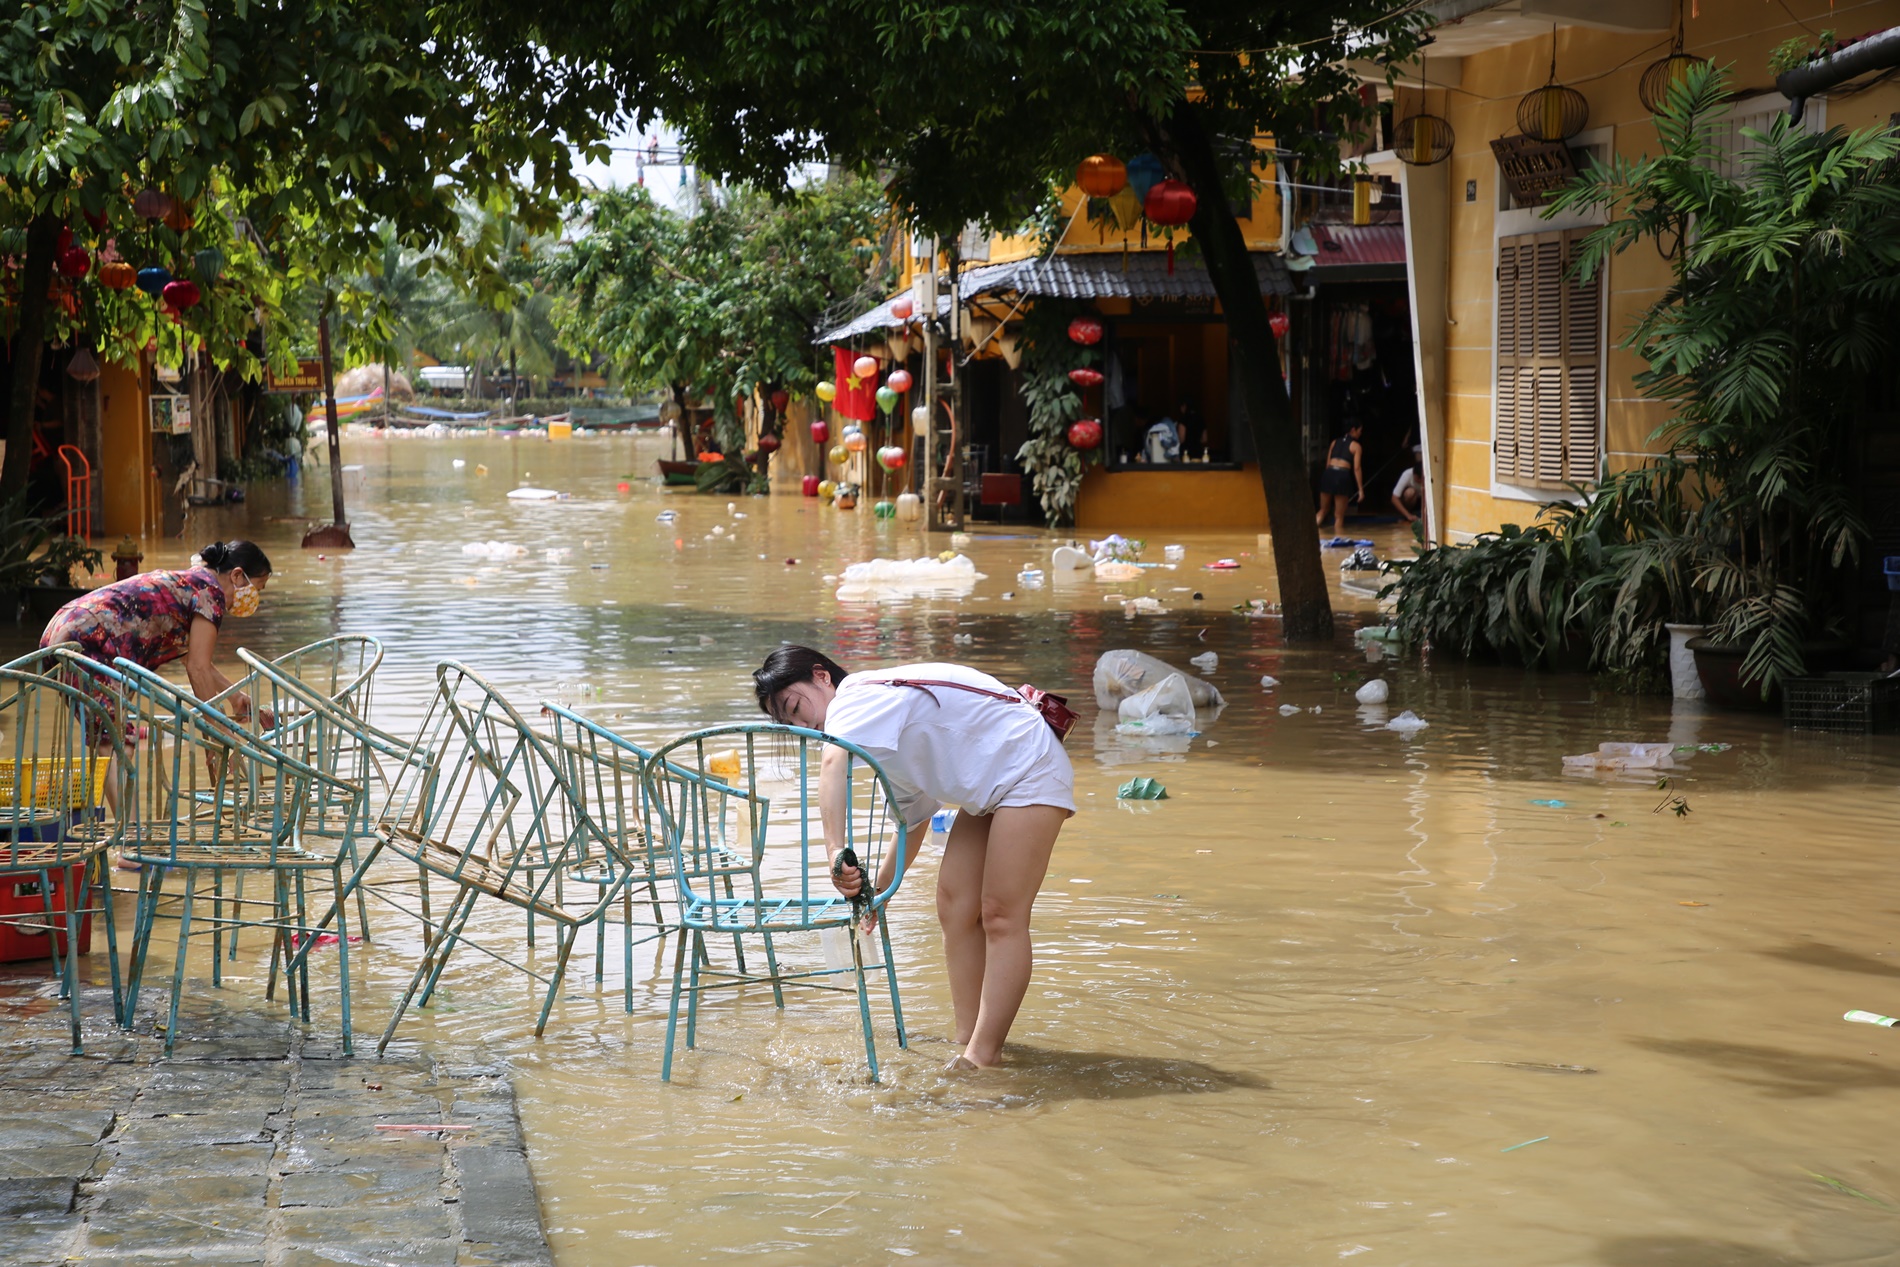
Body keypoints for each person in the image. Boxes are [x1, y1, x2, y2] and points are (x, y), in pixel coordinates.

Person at [754, 646, 1074, 1071]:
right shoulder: (882, 737)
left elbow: (833, 759)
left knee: (1001, 915)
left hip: (1029, 766)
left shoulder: (857, 695)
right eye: (789, 723)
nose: (803, 725)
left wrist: (835, 852)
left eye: (796, 706)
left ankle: (983, 1057)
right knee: (954, 907)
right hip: (992, 789)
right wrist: (876, 894)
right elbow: (911, 821)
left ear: (822, 676)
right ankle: (969, 1038)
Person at [40, 539, 273, 718]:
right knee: (116, 740)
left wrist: (235, 696)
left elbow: (192, 659)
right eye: (258, 589)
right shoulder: (210, 594)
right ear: (237, 576)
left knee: (112, 733)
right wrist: (220, 733)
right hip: (89, 638)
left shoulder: (194, 581)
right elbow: (197, 668)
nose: (255, 597)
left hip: (62, 626)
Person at [1314, 418, 1364, 540]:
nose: (1360, 433)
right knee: (1339, 516)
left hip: (1329, 474)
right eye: (1360, 430)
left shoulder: (1334, 442)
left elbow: (1327, 464)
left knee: (1323, 510)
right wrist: (1361, 490)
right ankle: (1338, 542)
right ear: (1353, 430)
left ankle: (1310, 536)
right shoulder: (1356, 446)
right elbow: (1356, 469)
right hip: (1342, 476)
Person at [1392, 448, 1425, 523]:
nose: (1419, 481)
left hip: (1423, 500)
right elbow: (1394, 498)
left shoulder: (1428, 476)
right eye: (1418, 479)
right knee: (1410, 492)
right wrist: (1408, 515)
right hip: (1412, 502)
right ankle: (1408, 514)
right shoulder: (1407, 474)